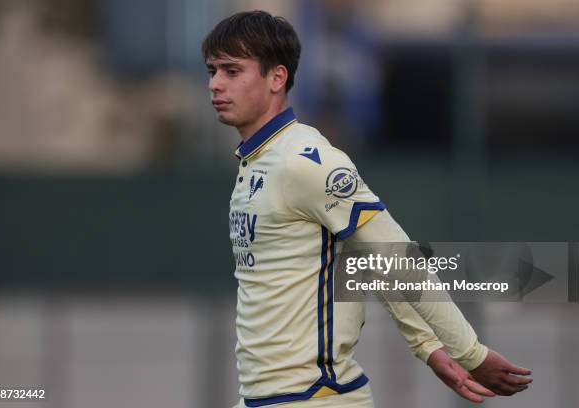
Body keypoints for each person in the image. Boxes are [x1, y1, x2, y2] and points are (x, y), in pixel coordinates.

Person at [202, 11, 532, 408]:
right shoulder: (256, 162)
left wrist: (470, 354)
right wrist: (426, 344)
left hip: (315, 399)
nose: (216, 84)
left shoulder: (306, 163)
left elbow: (396, 258)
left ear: (277, 77)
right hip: (265, 399)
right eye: (213, 70)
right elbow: (362, 259)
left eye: (232, 71)